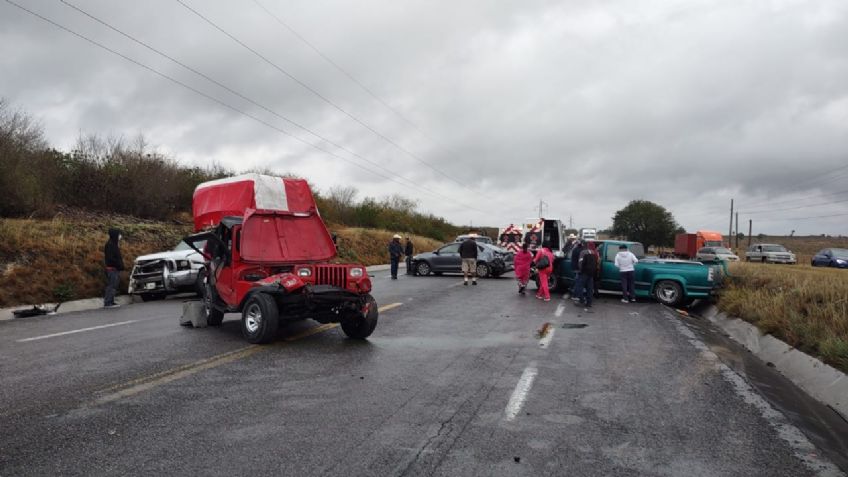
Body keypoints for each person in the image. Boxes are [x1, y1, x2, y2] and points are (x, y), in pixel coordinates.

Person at [103, 227, 124, 308]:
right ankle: (108, 302)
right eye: (119, 234)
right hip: (112, 269)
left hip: (115, 269)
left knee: (114, 286)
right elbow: (111, 258)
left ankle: (111, 301)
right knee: (111, 286)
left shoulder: (114, 244)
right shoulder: (110, 245)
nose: (120, 236)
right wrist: (118, 265)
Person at [574, 241, 598, 310]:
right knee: (590, 288)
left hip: (584, 273)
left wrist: (580, 270)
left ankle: (582, 299)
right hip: (591, 273)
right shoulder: (594, 253)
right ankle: (589, 303)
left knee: (579, 286)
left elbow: (580, 262)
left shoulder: (583, 252)